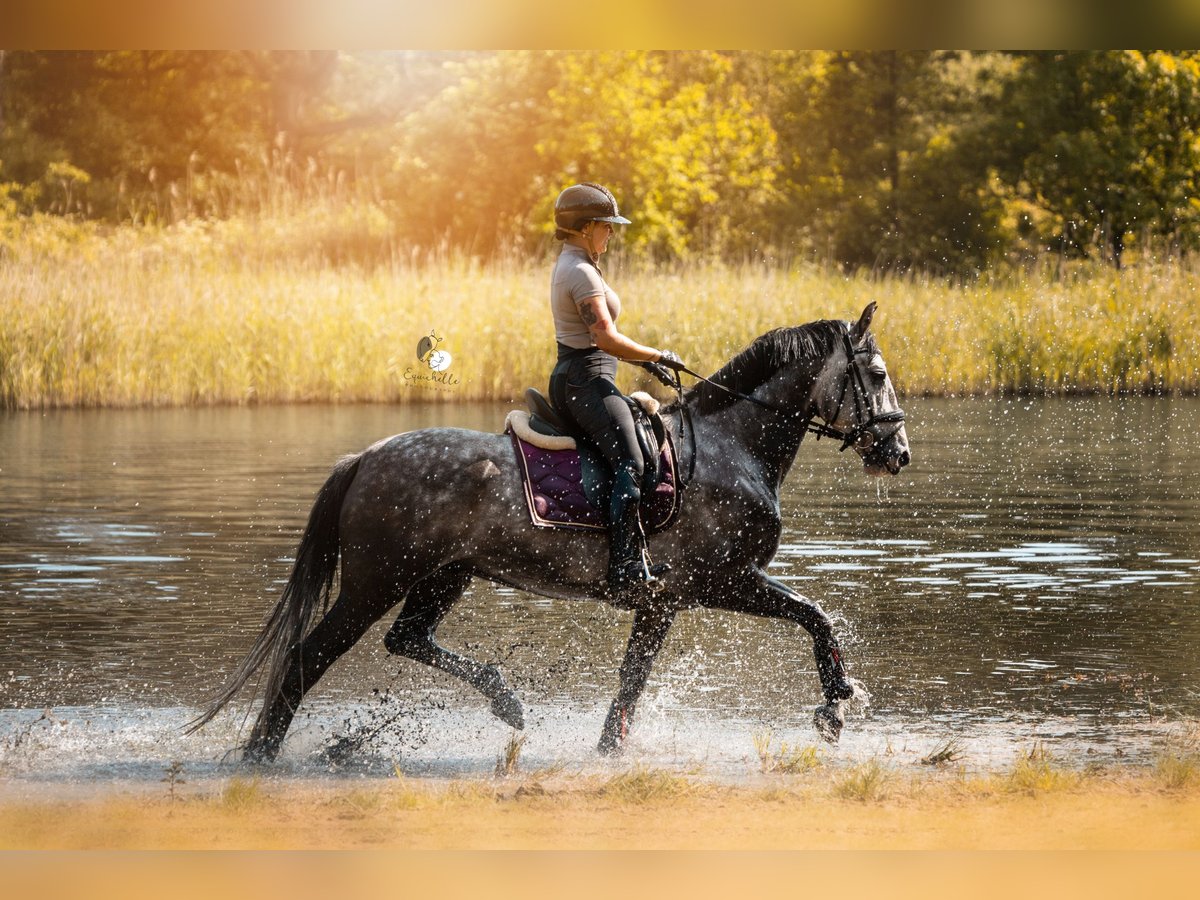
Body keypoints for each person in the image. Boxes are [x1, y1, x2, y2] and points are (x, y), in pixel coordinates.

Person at [546, 182, 687, 603]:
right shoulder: (580, 271)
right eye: (607, 226)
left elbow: (604, 342)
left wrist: (645, 363)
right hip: (585, 380)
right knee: (633, 459)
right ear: (586, 226)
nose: (612, 233)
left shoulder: (578, 263)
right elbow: (604, 337)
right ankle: (623, 567)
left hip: (588, 374)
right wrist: (658, 353)